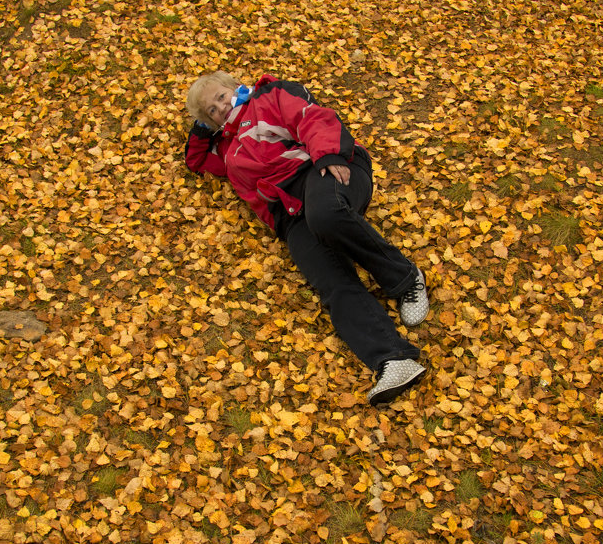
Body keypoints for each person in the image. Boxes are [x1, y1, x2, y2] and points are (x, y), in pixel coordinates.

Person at [184, 71, 429, 405]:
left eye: (220, 97)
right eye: (211, 111)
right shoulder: (227, 151)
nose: (220, 108)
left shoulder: (267, 98)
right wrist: (202, 129)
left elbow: (310, 118)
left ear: (234, 88)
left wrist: (327, 154)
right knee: (330, 280)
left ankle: (404, 279)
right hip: (289, 213)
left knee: (326, 214)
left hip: (323, 169)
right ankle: (393, 358)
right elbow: (196, 160)